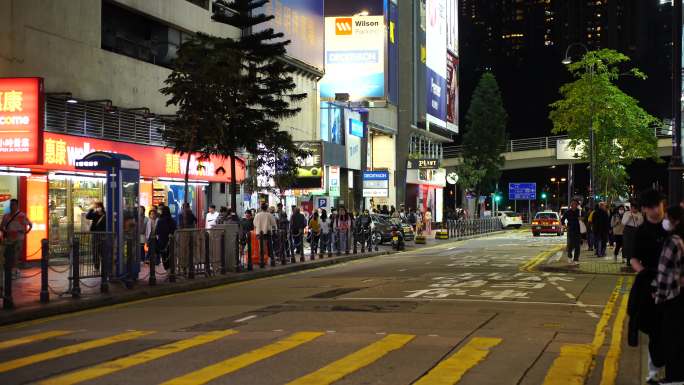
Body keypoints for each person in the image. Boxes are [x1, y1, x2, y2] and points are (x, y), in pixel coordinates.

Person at [627, 190, 668, 384]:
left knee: (672, 331)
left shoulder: (673, 227)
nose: (654, 211)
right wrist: (645, 274)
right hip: (651, 287)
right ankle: (653, 374)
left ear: (663, 204)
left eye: (657, 205)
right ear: (644, 209)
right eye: (650, 207)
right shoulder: (642, 232)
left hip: (674, 286)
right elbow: (634, 259)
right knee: (654, 331)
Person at [655, 205, 684, 383]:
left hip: (672, 296)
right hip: (680, 293)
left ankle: (674, 376)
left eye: (667, 217)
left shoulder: (673, 241)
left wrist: (659, 297)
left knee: (671, 338)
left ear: (674, 220)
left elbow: (664, 272)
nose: (664, 221)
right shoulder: (681, 239)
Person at [1, 199, 32, 300]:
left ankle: (15, 270)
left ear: (17, 205)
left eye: (13, 205)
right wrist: (6, 231)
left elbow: (30, 224)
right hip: (9, 239)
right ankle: (11, 270)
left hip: (18, 239)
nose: (11, 206)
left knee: (16, 255)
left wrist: (25, 232)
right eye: (11, 205)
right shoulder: (6, 216)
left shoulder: (22, 215)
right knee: (9, 256)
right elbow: (2, 227)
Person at [85, 201, 106, 269]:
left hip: (102, 235)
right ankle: (96, 266)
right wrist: (92, 209)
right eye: (95, 206)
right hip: (95, 234)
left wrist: (93, 209)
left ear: (100, 206)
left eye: (96, 206)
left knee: (102, 251)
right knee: (95, 251)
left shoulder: (105, 214)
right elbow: (87, 216)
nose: (96, 208)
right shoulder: (95, 213)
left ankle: (104, 267)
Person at [155, 205, 176, 270]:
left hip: (162, 241)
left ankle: (167, 270)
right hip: (171, 241)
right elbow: (175, 229)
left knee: (164, 256)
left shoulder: (160, 220)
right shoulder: (172, 220)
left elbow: (157, 231)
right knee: (171, 255)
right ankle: (171, 270)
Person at [561, 199, 582, 265]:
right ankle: (569, 257)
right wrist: (565, 226)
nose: (574, 205)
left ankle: (576, 259)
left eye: (575, 204)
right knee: (570, 245)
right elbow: (562, 220)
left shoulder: (579, 211)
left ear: (577, 205)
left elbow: (585, 218)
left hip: (578, 230)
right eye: (572, 204)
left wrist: (581, 218)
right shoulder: (568, 212)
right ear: (571, 205)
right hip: (570, 230)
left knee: (577, 246)